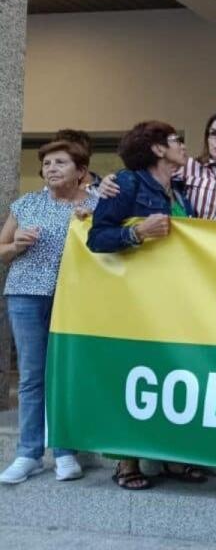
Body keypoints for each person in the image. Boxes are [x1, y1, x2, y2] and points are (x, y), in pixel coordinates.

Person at [87, 121, 201, 490]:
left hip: (174, 298)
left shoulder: (180, 192)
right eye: (176, 141)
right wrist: (137, 233)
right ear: (157, 149)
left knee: (170, 374)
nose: (183, 146)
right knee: (133, 373)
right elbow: (97, 237)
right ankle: (126, 460)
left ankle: (170, 457)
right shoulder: (127, 183)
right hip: (136, 300)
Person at [0, 139, 97, 485]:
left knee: (66, 373)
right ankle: (28, 453)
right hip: (25, 294)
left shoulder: (96, 204)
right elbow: (1, 249)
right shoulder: (26, 204)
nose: (51, 168)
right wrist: (15, 244)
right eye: (47, 163)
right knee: (31, 375)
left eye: (61, 162)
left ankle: (64, 449)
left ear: (81, 172)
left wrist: (93, 223)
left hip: (74, 298)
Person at [100, 112, 216, 223]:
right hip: (190, 251)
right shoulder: (188, 166)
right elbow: (145, 176)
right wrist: (106, 183)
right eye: (213, 133)